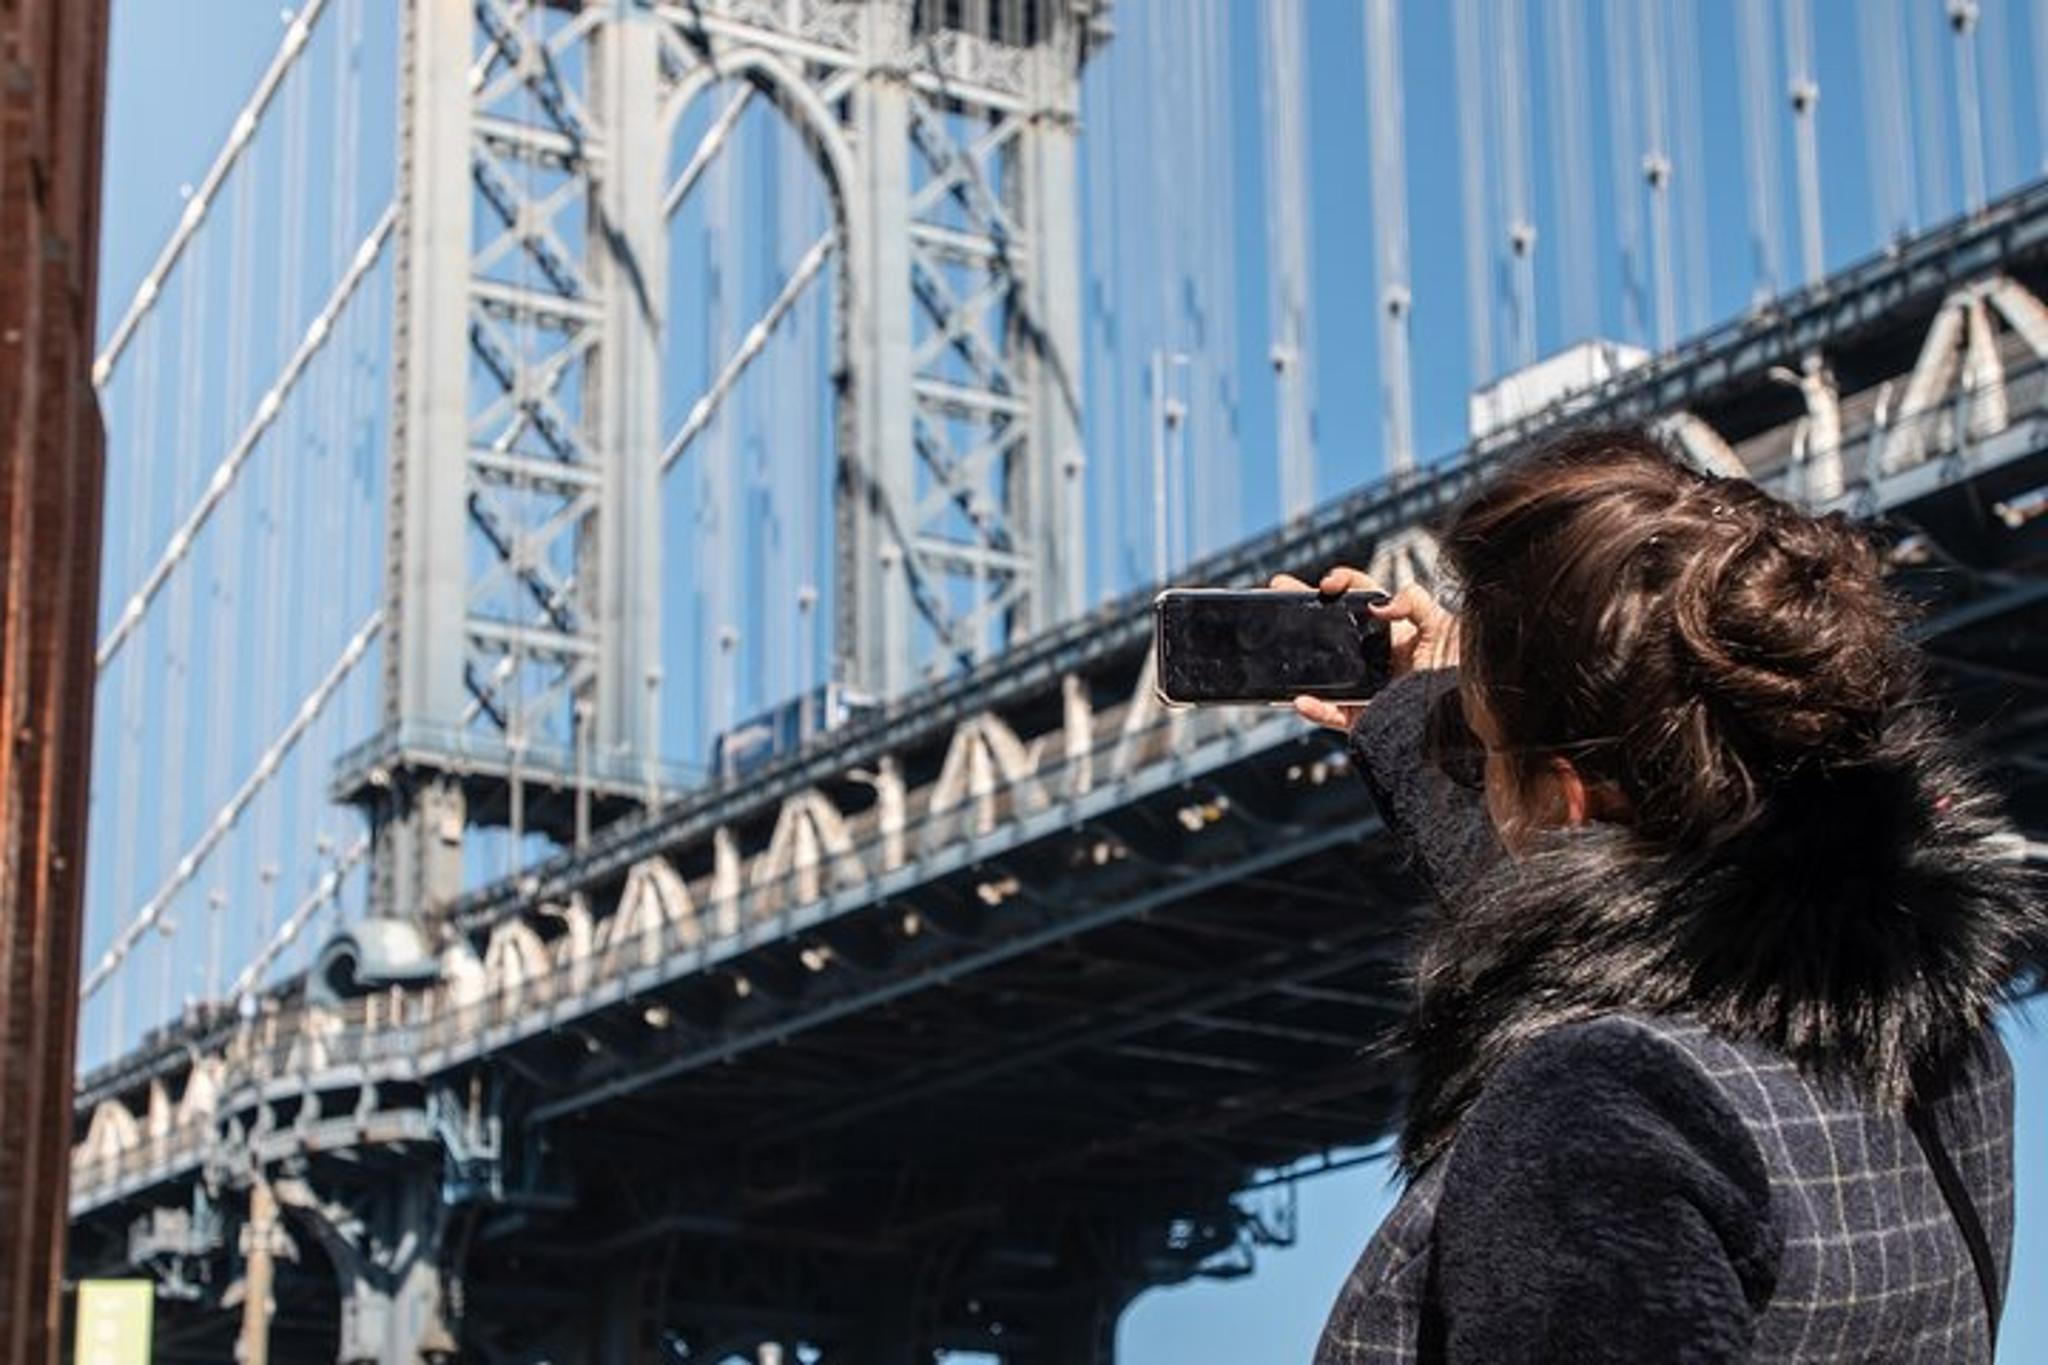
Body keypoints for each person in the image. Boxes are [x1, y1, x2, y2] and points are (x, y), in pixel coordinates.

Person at [1273, 429, 2039, 1363]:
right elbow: (1649, 946)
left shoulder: (1590, 1119)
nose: (1472, 762)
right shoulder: (1948, 1046)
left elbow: (1619, 1048)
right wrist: (1419, 716)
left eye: (1481, 745)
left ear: (1570, 796)